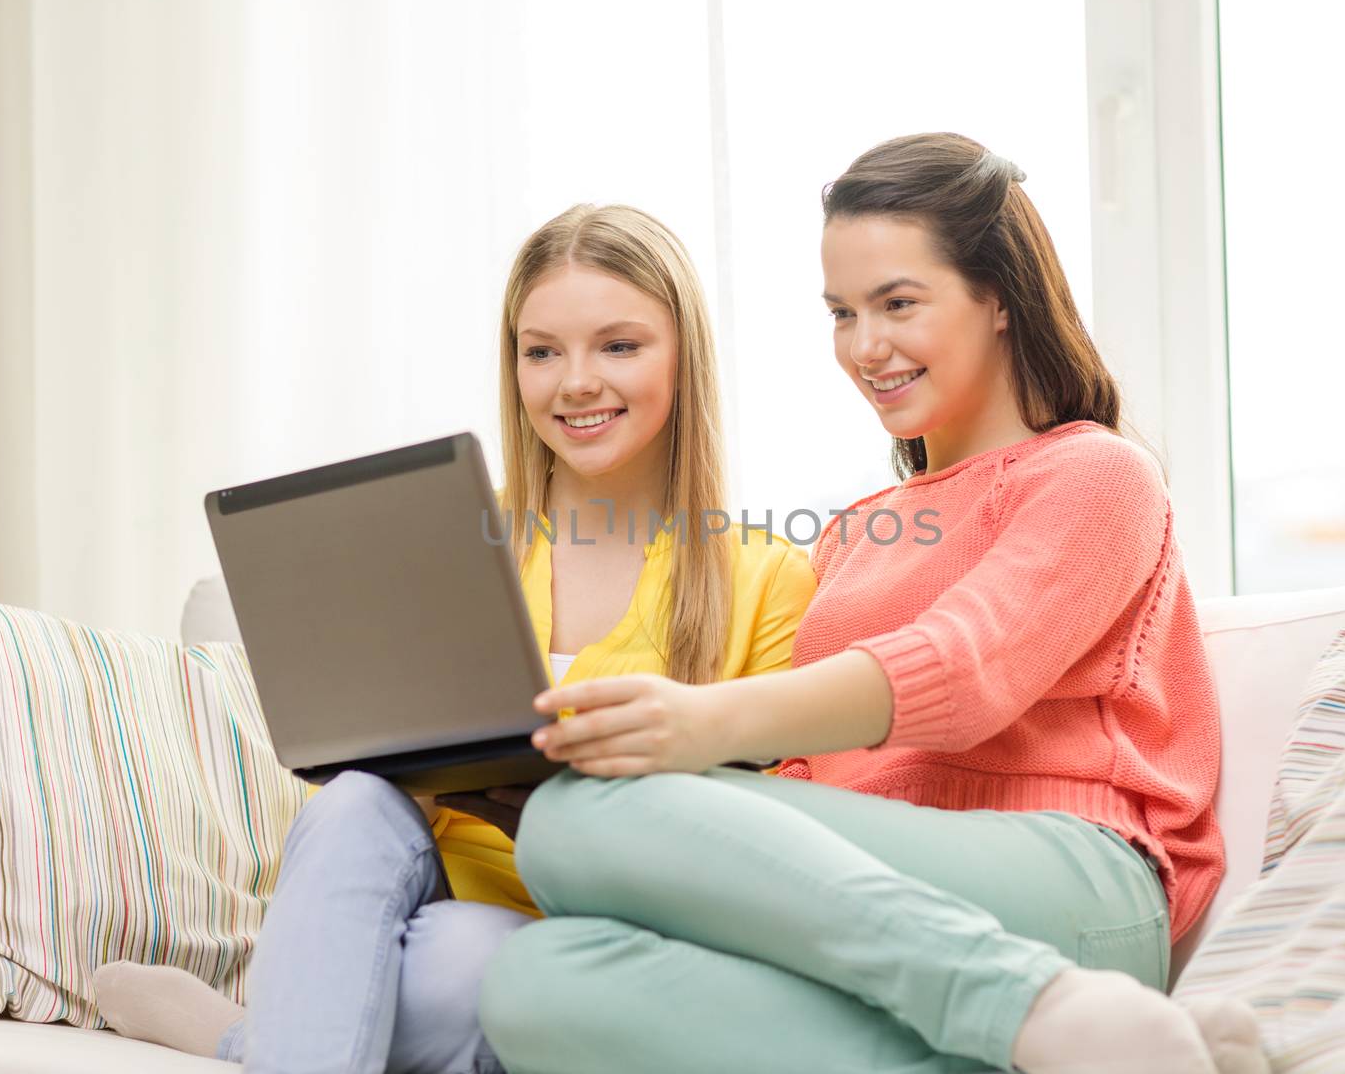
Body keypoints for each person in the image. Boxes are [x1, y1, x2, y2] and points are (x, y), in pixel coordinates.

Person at [475, 135, 1267, 1074]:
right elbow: (812, 784)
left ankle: (1035, 1004)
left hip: (1076, 885)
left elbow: (962, 668)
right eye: (843, 313)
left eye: (898, 303)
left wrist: (694, 725)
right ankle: (1083, 1049)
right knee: (531, 982)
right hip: (889, 912)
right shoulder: (852, 533)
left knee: (583, 819)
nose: (866, 346)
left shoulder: (1096, 473)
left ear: (1001, 298)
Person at [90, 203, 816, 1074]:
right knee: (356, 798)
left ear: (684, 355)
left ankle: (249, 1034)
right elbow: (362, 804)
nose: (574, 381)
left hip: (600, 941)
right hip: (424, 908)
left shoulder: (767, 576)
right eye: (541, 350)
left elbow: (775, 840)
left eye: (619, 345)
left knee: (472, 969)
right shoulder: (456, 538)